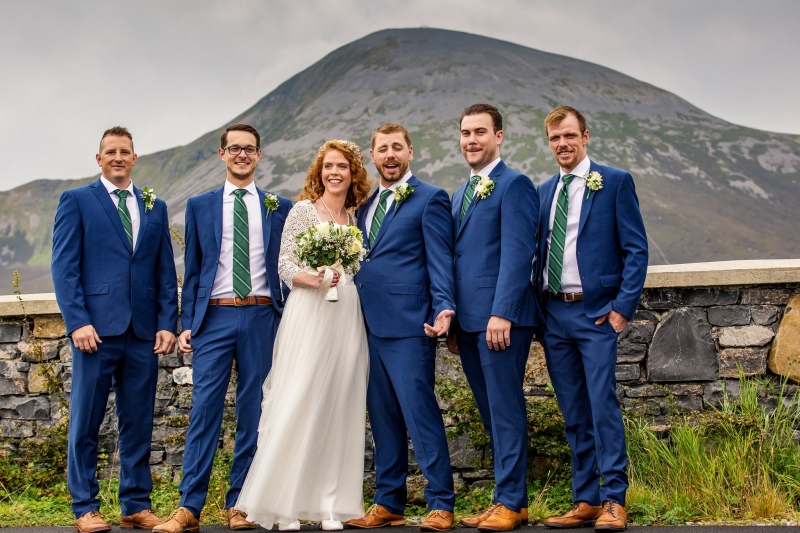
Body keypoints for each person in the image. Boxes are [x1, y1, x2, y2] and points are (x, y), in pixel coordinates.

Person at [154, 124, 291, 533]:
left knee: (255, 413)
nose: (242, 155)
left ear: (259, 155)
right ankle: (188, 508)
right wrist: (185, 323)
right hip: (214, 318)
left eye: (249, 149)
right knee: (204, 412)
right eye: (234, 148)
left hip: (263, 317)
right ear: (222, 154)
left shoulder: (279, 207)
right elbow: (193, 269)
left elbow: (287, 266)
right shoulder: (200, 205)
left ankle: (241, 504)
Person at [236, 139, 372, 531]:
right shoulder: (302, 212)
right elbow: (284, 264)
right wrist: (315, 279)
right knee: (299, 399)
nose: (335, 173)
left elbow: (356, 270)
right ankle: (283, 505)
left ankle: (330, 504)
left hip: (345, 313)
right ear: (319, 171)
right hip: (310, 311)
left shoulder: (354, 217)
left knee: (339, 404)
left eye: (342, 167)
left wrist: (337, 276)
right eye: (328, 166)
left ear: (352, 174)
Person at [52, 126, 178, 533]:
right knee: (86, 421)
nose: (118, 157)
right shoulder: (77, 201)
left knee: (139, 421)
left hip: (142, 332)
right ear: (99, 158)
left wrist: (166, 323)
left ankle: (135, 505)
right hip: (95, 332)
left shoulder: (153, 206)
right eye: (111, 152)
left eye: (125, 151)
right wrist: (78, 322)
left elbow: (163, 270)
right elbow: (64, 267)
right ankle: (84, 507)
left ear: (134, 158)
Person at [537, 106, 648, 531]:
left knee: (602, 405)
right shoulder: (545, 190)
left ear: (585, 137)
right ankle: (584, 499)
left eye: (569, 136)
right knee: (573, 411)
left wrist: (621, 308)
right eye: (554, 138)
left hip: (596, 313)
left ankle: (614, 499)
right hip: (554, 314)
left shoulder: (615, 182)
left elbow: (636, 249)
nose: (562, 144)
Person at [344, 123, 456, 532]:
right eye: (382, 149)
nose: (389, 155)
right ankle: (388, 501)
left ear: (410, 152)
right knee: (382, 416)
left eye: (397, 148)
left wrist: (444, 306)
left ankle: (441, 502)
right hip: (364, 325)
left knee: (419, 413)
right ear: (373, 157)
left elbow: (440, 260)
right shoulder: (363, 203)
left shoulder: (430, 199)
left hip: (411, 325)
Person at [447, 103, 539, 532]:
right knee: (490, 412)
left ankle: (511, 501)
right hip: (467, 323)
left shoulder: (514, 184)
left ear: (498, 137)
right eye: (466, 133)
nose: (472, 140)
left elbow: (519, 255)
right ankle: (509, 500)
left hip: (500, 322)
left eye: (480, 132)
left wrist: (501, 312)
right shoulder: (461, 192)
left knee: (504, 409)